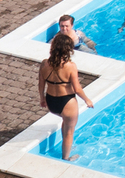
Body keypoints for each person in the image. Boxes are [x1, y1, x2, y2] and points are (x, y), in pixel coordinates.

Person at [38, 33, 95, 161]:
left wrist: (42, 98)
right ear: (68, 49)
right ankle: (66, 158)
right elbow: (77, 89)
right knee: (69, 132)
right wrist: (87, 100)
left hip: (51, 101)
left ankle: (67, 147)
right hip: (67, 102)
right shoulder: (70, 66)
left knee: (65, 122)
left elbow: (41, 84)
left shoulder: (44, 63)